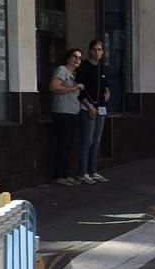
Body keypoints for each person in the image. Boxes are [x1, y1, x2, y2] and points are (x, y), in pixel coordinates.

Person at [75, 36, 111, 183]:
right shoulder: (83, 67)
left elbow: (107, 89)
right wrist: (90, 106)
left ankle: (93, 171)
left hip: (101, 108)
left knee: (96, 140)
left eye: (100, 49)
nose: (97, 52)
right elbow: (80, 91)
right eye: (95, 49)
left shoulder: (102, 69)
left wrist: (105, 98)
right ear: (90, 51)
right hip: (87, 108)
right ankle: (83, 173)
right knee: (87, 140)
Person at [47, 47, 84, 186]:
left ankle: (65, 174)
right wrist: (74, 88)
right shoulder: (62, 70)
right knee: (62, 144)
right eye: (74, 56)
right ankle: (59, 175)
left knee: (68, 145)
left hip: (72, 112)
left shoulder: (74, 75)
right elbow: (54, 87)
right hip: (62, 112)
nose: (77, 59)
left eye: (79, 58)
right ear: (68, 57)